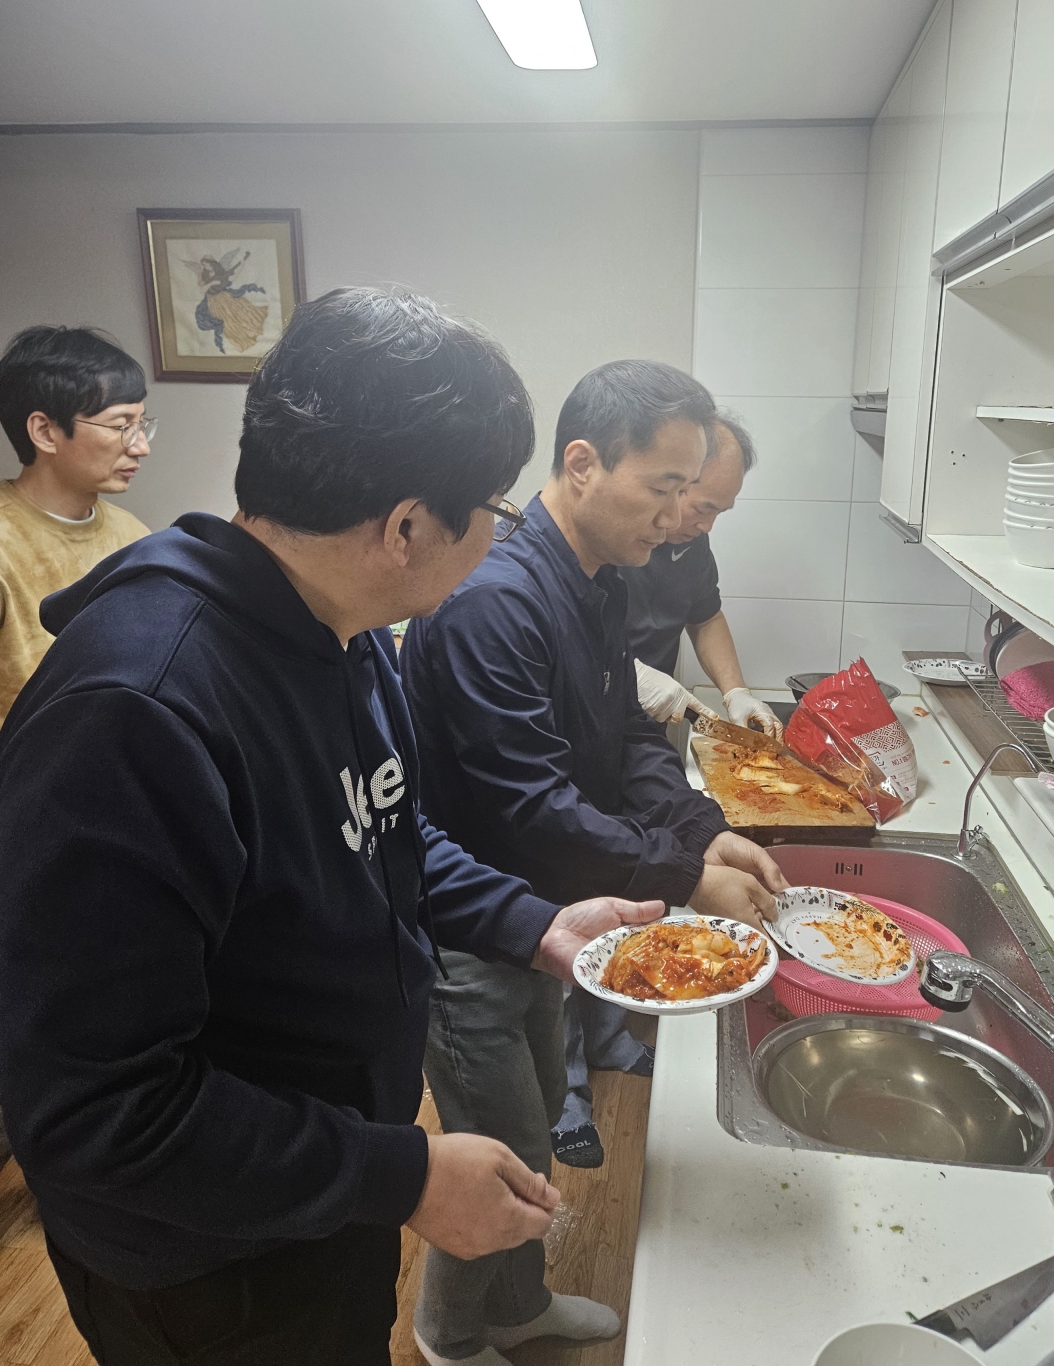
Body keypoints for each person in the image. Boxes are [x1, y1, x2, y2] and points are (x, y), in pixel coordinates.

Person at [0, 289, 664, 1366]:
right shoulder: (137, 714)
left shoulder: (341, 631)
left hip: (320, 1183)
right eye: (491, 509)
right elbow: (99, 1113)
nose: (500, 534)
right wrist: (403, 1174)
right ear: (405, 528)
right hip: (204, 1257)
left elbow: (381, 829)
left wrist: (535, 923)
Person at [402, 359, 787, 1366]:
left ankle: (516, 1306)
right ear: (582, 464)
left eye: (689, 492)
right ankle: (447, 1332)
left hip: (545, 914)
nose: (677, 517)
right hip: (470, 929)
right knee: (502, 1151)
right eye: (664, 488)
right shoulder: (493, 601)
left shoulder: (597, 583)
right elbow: (532, 809)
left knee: (534, 1124)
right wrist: (684, 878)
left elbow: (620, 739)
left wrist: (701, 829)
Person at [0, 325, 153, 722]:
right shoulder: (6, 543)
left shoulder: (135, 538)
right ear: (45, 431)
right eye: (121, 426)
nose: (141, 446)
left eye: (141, 424)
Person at [624, 413, 783, 739]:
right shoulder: (611, 539)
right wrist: (628, 674)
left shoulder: (692, 541)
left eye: (719, 512)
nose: (707, 526)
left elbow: (705, 617)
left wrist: (736, 692)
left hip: (648, 726)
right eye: (703, 509)